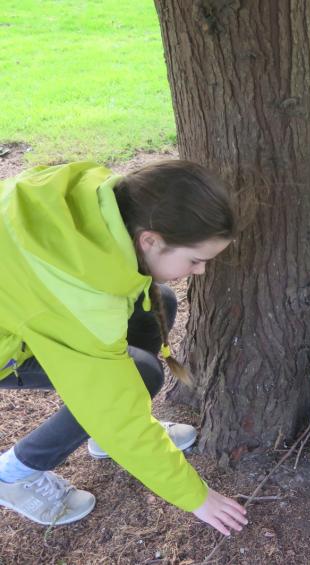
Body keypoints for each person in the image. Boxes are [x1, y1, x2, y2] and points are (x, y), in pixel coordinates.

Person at [0, 160, 247, 535]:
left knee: (158, 300)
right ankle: (13, 474)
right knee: (139, 374)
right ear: (149, 240)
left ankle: (99, 441)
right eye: (195, 260)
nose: (200, 271)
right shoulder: (83, 303)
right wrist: (197, 497)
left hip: (23, 300)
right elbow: (119, 415)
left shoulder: (103, 196)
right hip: (9, 342)